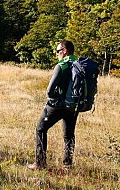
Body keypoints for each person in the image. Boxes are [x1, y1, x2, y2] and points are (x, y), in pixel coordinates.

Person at [28, 40, 78, 170]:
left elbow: (50, 90)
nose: (56, 54)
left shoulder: (62, 66)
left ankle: (40, 163)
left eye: (58, 51)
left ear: (64, 51)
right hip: (74, 106)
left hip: (59, 105)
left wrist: (54, 99)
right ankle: (67, 164)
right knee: (69, 134)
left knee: (40, 128)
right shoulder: (79, 64)